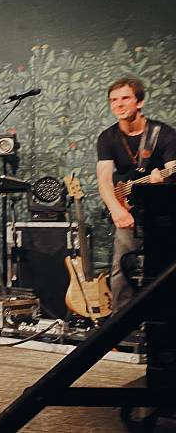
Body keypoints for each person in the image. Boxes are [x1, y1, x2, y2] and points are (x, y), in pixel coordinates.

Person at [96, 77, 176, 313]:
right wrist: (116, 209)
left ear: (139, 102)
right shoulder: (107, 138)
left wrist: (164, 179)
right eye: (113, 100)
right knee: (122, 268)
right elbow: (104, 179)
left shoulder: (164, 134)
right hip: (127, 206)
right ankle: (122, 327)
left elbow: (173, 169)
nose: (118, 104)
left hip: (162, 211)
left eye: (125, 98)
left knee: (163, 268)